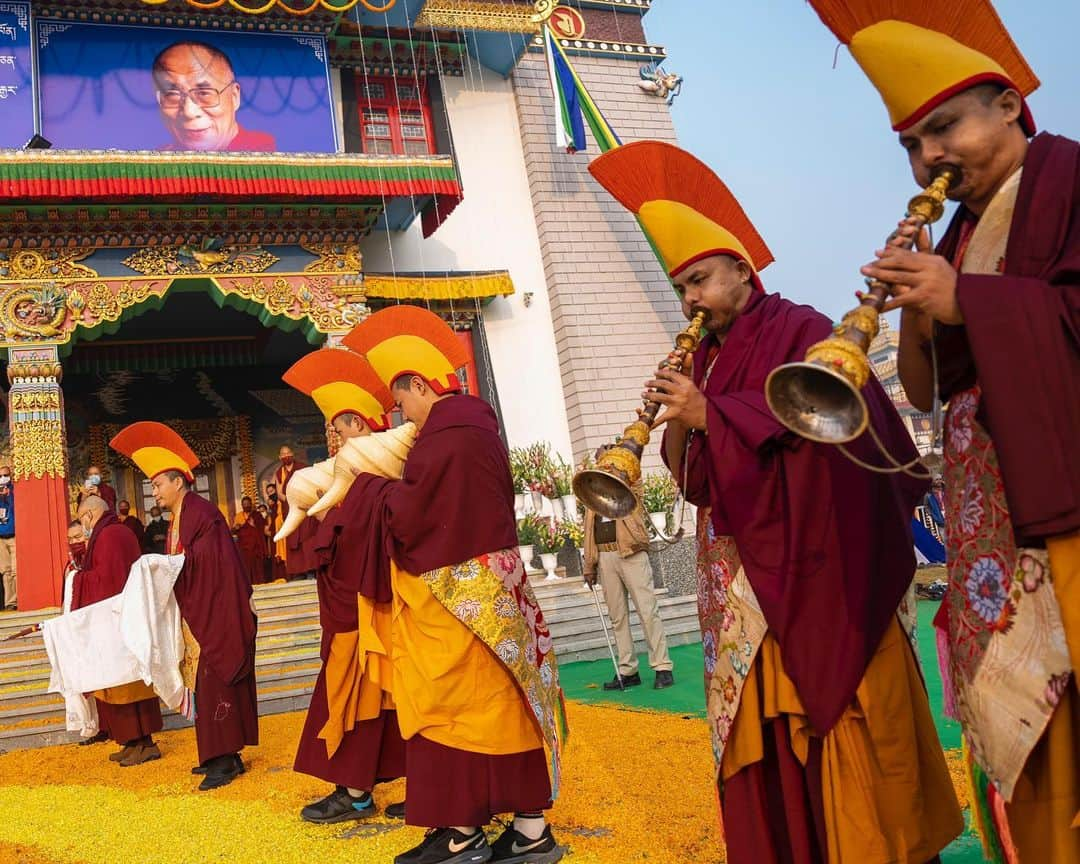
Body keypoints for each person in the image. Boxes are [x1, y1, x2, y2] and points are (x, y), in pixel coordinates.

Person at [587, 140, 963, 863]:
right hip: (738, 579)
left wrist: (713, 415)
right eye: (682, 291)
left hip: (818, 568)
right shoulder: (703, 356)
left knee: (848, 722)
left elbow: (837, 433)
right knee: (761, 741)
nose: (691, 301)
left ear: (742, 269)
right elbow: (698, 481)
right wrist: (674, 424)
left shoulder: (802, 329)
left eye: (699, 280)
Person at [808, 1, 1080, 858]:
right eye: (911, 145)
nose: (929, 157)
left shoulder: (1069, 181)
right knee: (1010, 732)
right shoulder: (956, 233)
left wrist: (970, 300)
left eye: (944, 128)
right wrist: (917, 314)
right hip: (983, 529)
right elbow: (928, 391)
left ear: (1009, 104)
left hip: (1058, 519)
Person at [341, 306, 567, 864]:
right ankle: (531, 829)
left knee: (450, 707)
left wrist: (368, 487)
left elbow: (411, 516)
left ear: (419, 386)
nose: (402, 418)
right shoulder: (480, 429)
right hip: (502, 588)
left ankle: (464, 835)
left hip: (452, 597)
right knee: (506, 702)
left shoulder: (443, 439)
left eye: (402, 404)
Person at [282, 347, 408, 824]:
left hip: (372, 608)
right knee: (360, 701)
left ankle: (360, 793)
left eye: (346, 428)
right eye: (335, 431)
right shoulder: (341, 478)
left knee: (374, 701)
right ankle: (359, 791)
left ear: (367, 426)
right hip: (346, 611)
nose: (338, 441)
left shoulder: (383, 477)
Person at [110, 422, 259, 791]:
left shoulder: (201, 515)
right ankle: (224, 754)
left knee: (214, 682)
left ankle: (223, 759)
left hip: (216, 613)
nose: (154, 492)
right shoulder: (182, 516)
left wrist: (170, 568)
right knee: (204, 683)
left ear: (178, 481)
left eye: (158, 484)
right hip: (198, 613)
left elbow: (210, 565)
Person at [71, 496, 163, 767]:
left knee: (127, 684)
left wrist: (77, 579)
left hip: (118, 618)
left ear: (90, 514)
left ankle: (143, 742)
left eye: (82, 518)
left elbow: (108, 581)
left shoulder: (110, 535)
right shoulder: (117, 531)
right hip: (125, 616)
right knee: (124, 682)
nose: (83, 524)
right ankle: (133, 742)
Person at [581, 460, 674, 690]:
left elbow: (635, 475)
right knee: (617, 616)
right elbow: (588, 535)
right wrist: (589, 566)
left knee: (647, 610)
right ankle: (627, 669)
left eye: (609, 462)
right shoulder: (592, 499)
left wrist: (623, 463)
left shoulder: (629, 489)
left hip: (631, 554)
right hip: (605, 557)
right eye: (601, 463)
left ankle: (662, 666)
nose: (604, 466)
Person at [152, 41, 276, 152]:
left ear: (234, 97)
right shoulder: (157, 166)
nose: (189, 112)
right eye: (173, 95)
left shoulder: (267, 158)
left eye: (204, 93)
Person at [276, 446, 317, 580]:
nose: (286, 456)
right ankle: (298, 572)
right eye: (283, 454)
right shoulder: (279, 473)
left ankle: (310, 570)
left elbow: (310, 486)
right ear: (280, 457)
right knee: (293, 540)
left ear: (292, 454)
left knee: (307, 538)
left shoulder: (302, 468)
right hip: (290, 510)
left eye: (288, 453)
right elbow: (280, 494)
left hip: (304, 508)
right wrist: (290, 499)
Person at [232, 496, 267, 586]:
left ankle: (259, 581)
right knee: (246, 564)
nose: (246, 506)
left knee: (256, 565)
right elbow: (234, 529)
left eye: (248, 504)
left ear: (251, 504)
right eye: (244, 504)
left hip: (255, 545)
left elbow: (262, 526)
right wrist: (236, 528)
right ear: (242, 505)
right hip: (244, 546)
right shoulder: (239, 516)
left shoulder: (257, 515)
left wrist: (253, 524)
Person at [263, 482, 288, 582]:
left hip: (284, 530)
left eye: (272, 491)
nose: (270, 494)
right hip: (275, 533)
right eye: (268, 492)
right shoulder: (271, 508)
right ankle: (279, 577)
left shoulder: (282, 503)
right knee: (276, 556)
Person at [0, 465, 15, 610]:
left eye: (5, 475)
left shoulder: (14, 490)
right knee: (6, 571)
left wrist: (8, 496)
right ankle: (10, 603)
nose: (2, 478)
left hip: (14, 536)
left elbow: (17, 508)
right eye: (0, 476)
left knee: (16, 570)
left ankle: (20, 600)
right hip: (1, 538)